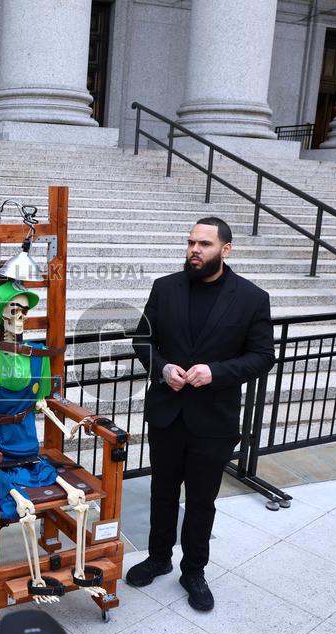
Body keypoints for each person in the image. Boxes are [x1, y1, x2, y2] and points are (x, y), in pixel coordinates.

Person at [125, 217, 274, 611]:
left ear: (226, 249)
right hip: (168, 414)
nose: (194, 249)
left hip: (213, 420)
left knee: (201, 501)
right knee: (162, 492)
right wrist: (162, 369)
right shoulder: (165, 288)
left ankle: (193, 571)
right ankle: (158, 557)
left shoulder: (252, 298)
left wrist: (216, 373)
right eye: (191, 242)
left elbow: (263, 356)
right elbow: (143, 339)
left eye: (204, 244)